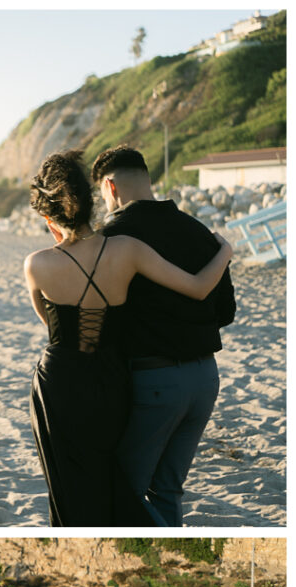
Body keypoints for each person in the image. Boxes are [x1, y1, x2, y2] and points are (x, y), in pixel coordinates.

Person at [24, 150, 233, 527]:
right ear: (90, 202)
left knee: (83, 486)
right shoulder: (130, 248)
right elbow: (204, 291)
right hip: (126, 381)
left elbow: (52, 327)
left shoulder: (36, 264)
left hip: (64, 383)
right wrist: (225, 251)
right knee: (140, 483)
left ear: (48, 216)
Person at [91, 146, 236, 527]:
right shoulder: (199, 231)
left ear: (110, 186)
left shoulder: (113, 237)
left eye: (100, 195)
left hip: (153, 381)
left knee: (126, 488)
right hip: (205, 379)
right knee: (168, 489)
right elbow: (226, 312)